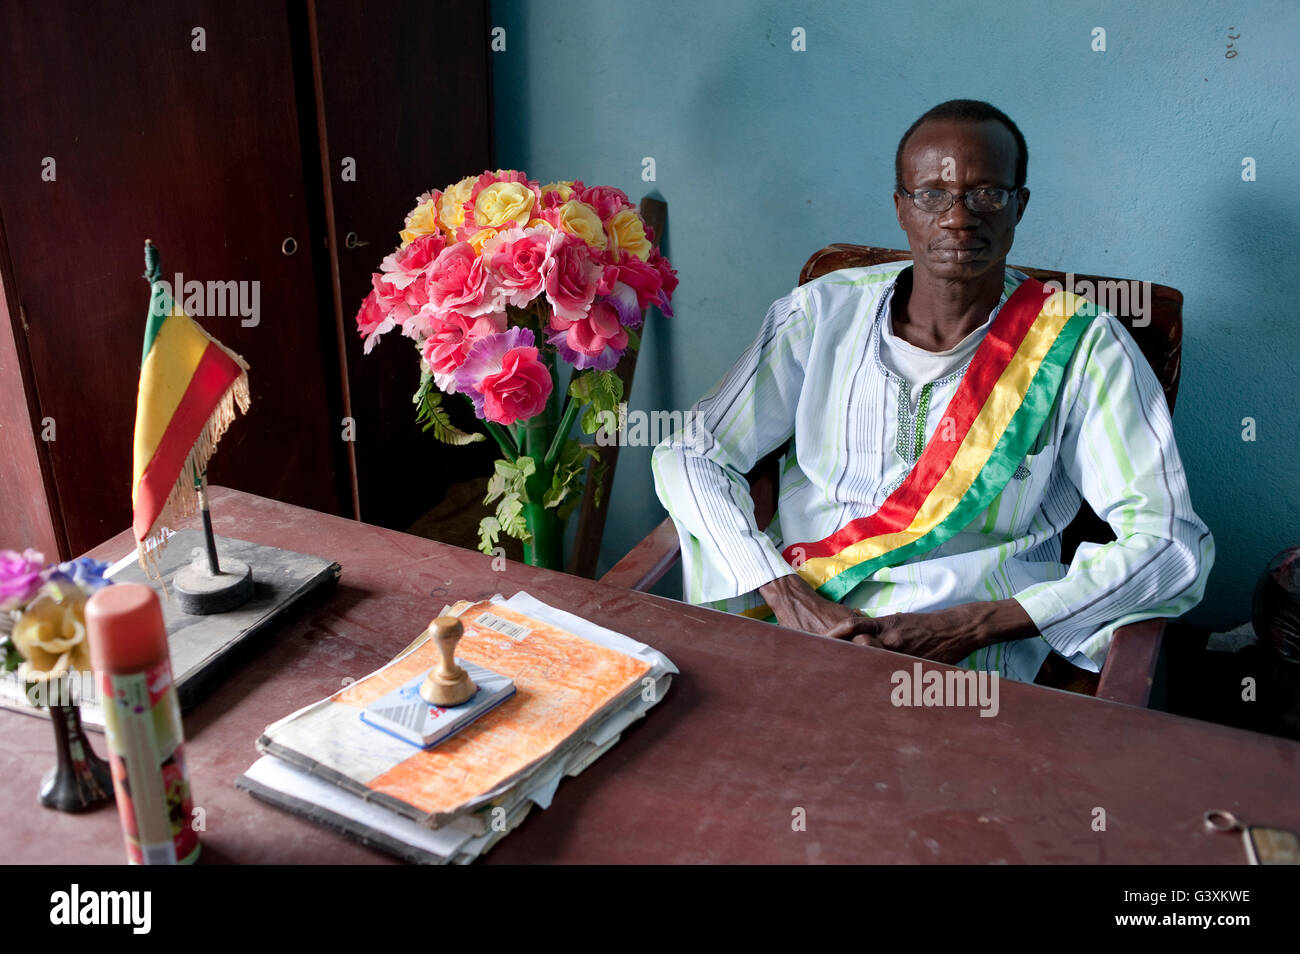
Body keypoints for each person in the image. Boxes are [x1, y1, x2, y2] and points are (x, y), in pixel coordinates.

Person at [652, 100, 1214, 683]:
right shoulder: (822, 313)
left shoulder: (1082, 347)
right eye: (932, 194)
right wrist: (786, 593)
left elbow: (1171, 543)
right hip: (803, 613)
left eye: (987, 194)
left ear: (1019, 206)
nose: (958, 218)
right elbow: (693, 451)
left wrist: (971, 627)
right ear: (901, 208)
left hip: (970, 653)